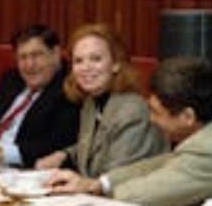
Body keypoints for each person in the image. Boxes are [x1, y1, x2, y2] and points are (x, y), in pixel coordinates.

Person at [46, 57, 212, 206]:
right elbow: (169, 163)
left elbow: (141, 197)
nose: (151, 120)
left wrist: (90, 195)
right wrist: (98, 184)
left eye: (156, 112)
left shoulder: (211, 151)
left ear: (187, 117)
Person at [36, 23, 168, 176]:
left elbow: (115, 175)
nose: (86, 67)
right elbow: (96, 147)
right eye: (78, 61)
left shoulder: (132, 111)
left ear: (116, 64)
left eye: (96, 59)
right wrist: (64, 155)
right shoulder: (91, 102)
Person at [0, 24, 79, 167]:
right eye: (23, 57)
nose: (29, 65)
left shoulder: (69, 88)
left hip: (21, 170)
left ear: (55, 53)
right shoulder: (11, 79)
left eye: (36, 55)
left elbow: (56, 144)